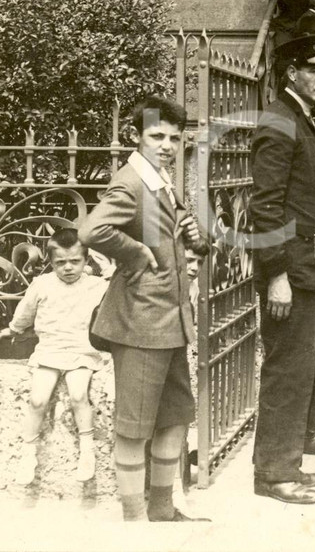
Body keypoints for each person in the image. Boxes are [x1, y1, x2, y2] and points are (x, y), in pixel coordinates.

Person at [79, 96, 209, 522]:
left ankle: (162, 510)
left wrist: (194, 233)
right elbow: (92, 229)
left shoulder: (160, 181)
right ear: (136, 137)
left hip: (171, 324)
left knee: (174, 419)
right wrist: (134, 253)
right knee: (134, 428)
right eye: (157, 136)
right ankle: (134, 521)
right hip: (138, 323)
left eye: (174, 137)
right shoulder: (131, 181)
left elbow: (180, 244)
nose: (167, 144)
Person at [249, 32, 315, 506]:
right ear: (292, 72)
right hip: (292, 270)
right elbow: (265, 209)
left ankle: (286, 462)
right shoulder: (280, 122)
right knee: (287, 370)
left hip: (313, 264)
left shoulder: (303, 119)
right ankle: (273, 474)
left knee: (302, 365)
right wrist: (276, 275)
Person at [2, 228, 108, 485]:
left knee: (79, 395)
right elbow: (25, 312)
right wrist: (15, 329)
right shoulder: (43, 284)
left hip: (82, 352)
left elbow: (120, 284)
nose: (68, 268)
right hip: (49, 351)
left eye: (75, 261)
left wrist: (103, 262)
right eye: (60, 262)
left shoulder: (96, 285)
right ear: (51, 262)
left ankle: (86, 449)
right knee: (37, 400)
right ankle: (28, 453)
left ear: (86, 260)